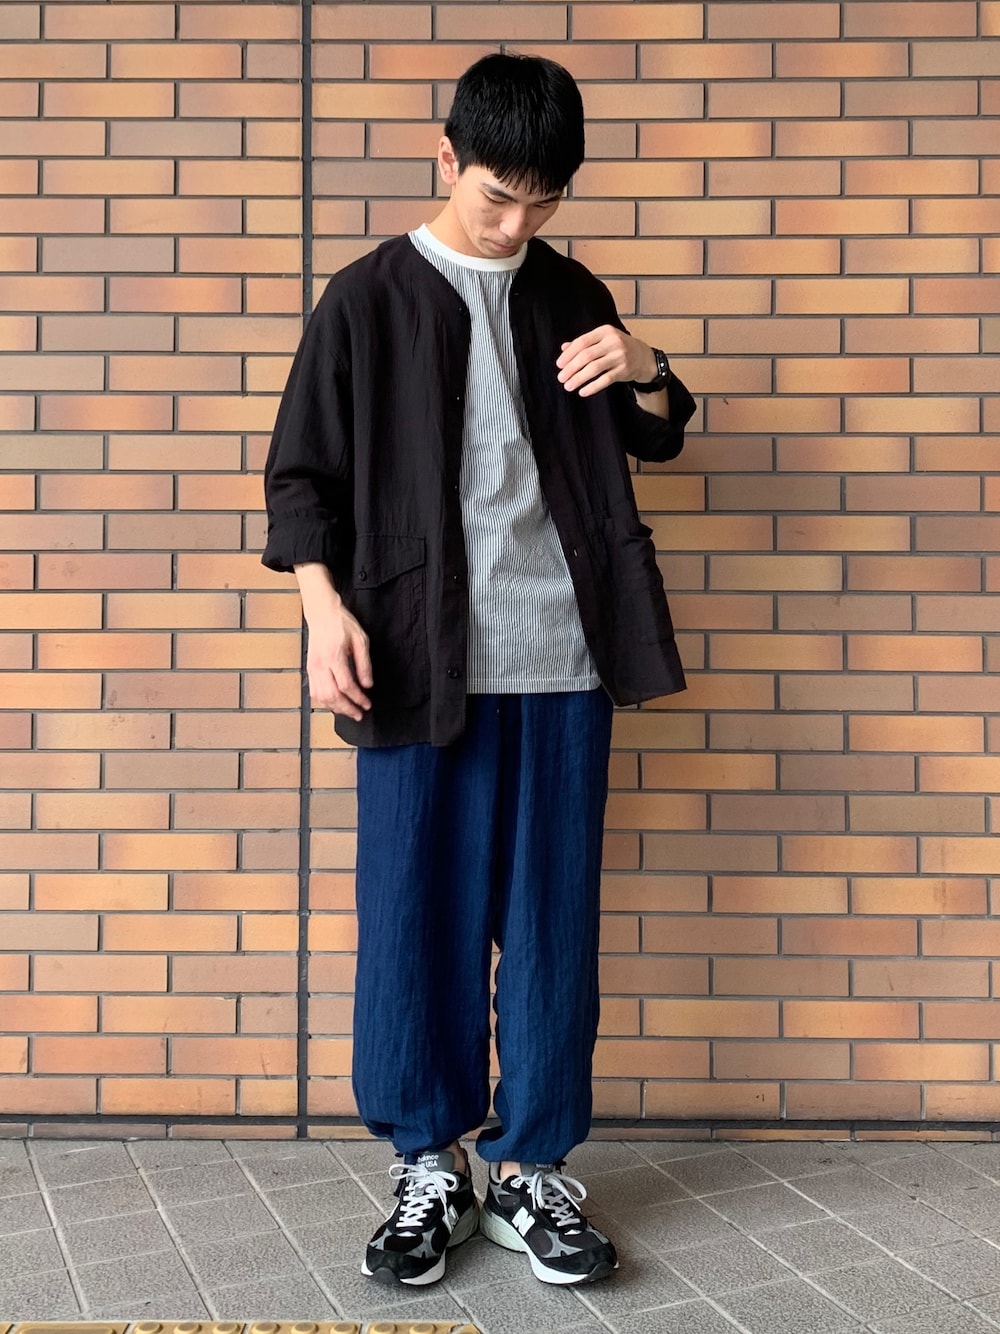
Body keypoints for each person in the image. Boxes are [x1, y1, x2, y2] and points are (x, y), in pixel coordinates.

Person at [262, 52, 696, 1289]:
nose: (516, 223)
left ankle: (531, 1167)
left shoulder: (569, 292)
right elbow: (299, 477)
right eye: (499, 196)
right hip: (418, 663)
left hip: (564, 661)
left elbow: (652, 431)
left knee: (552, 925)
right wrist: (321, 612)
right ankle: (428, 1162)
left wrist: (648, 361)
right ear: (445, 156)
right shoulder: (367, 298)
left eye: (542, 201)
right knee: (415, 921)